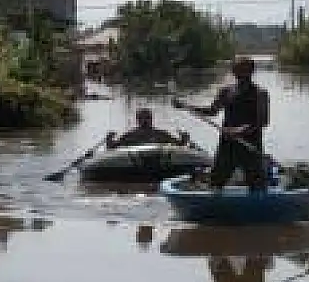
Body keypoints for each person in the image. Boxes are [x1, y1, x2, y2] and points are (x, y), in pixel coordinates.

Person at [174, 56, 269, 190]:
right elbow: (212, 111)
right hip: (227, 144)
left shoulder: (260, 94)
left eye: (243, 70)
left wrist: (239, 130)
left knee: (257, 184)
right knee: (216, 182)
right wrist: (186, 106)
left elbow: (263, 121)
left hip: (250, 144)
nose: (239, 73)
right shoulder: (226, 92)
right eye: (236, 69)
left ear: (251, 71)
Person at [106, 107, 189, 149]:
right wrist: (109, 137)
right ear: (137, 120)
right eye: (142, 118)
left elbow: (179, 144)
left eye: (147, 118)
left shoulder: (160, 134)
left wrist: (184, 137)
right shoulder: (130, 135)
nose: (145, 121)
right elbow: (113, 146)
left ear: (151, 119)